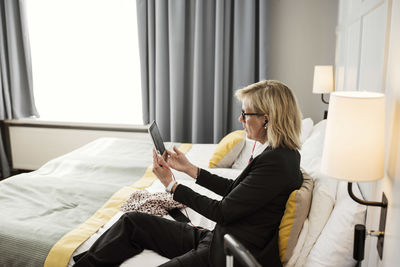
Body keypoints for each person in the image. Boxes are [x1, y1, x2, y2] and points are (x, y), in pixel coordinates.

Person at [73, 80, 303, 267]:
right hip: (216, 239)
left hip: (226, 255)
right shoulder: (277, 155)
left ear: (267, 118)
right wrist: (189, 169)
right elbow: (235, 192)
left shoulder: (277, 162)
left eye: (245, 114)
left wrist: (172, 186)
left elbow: (223, 212)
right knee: (133, 222)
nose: (240, 120)